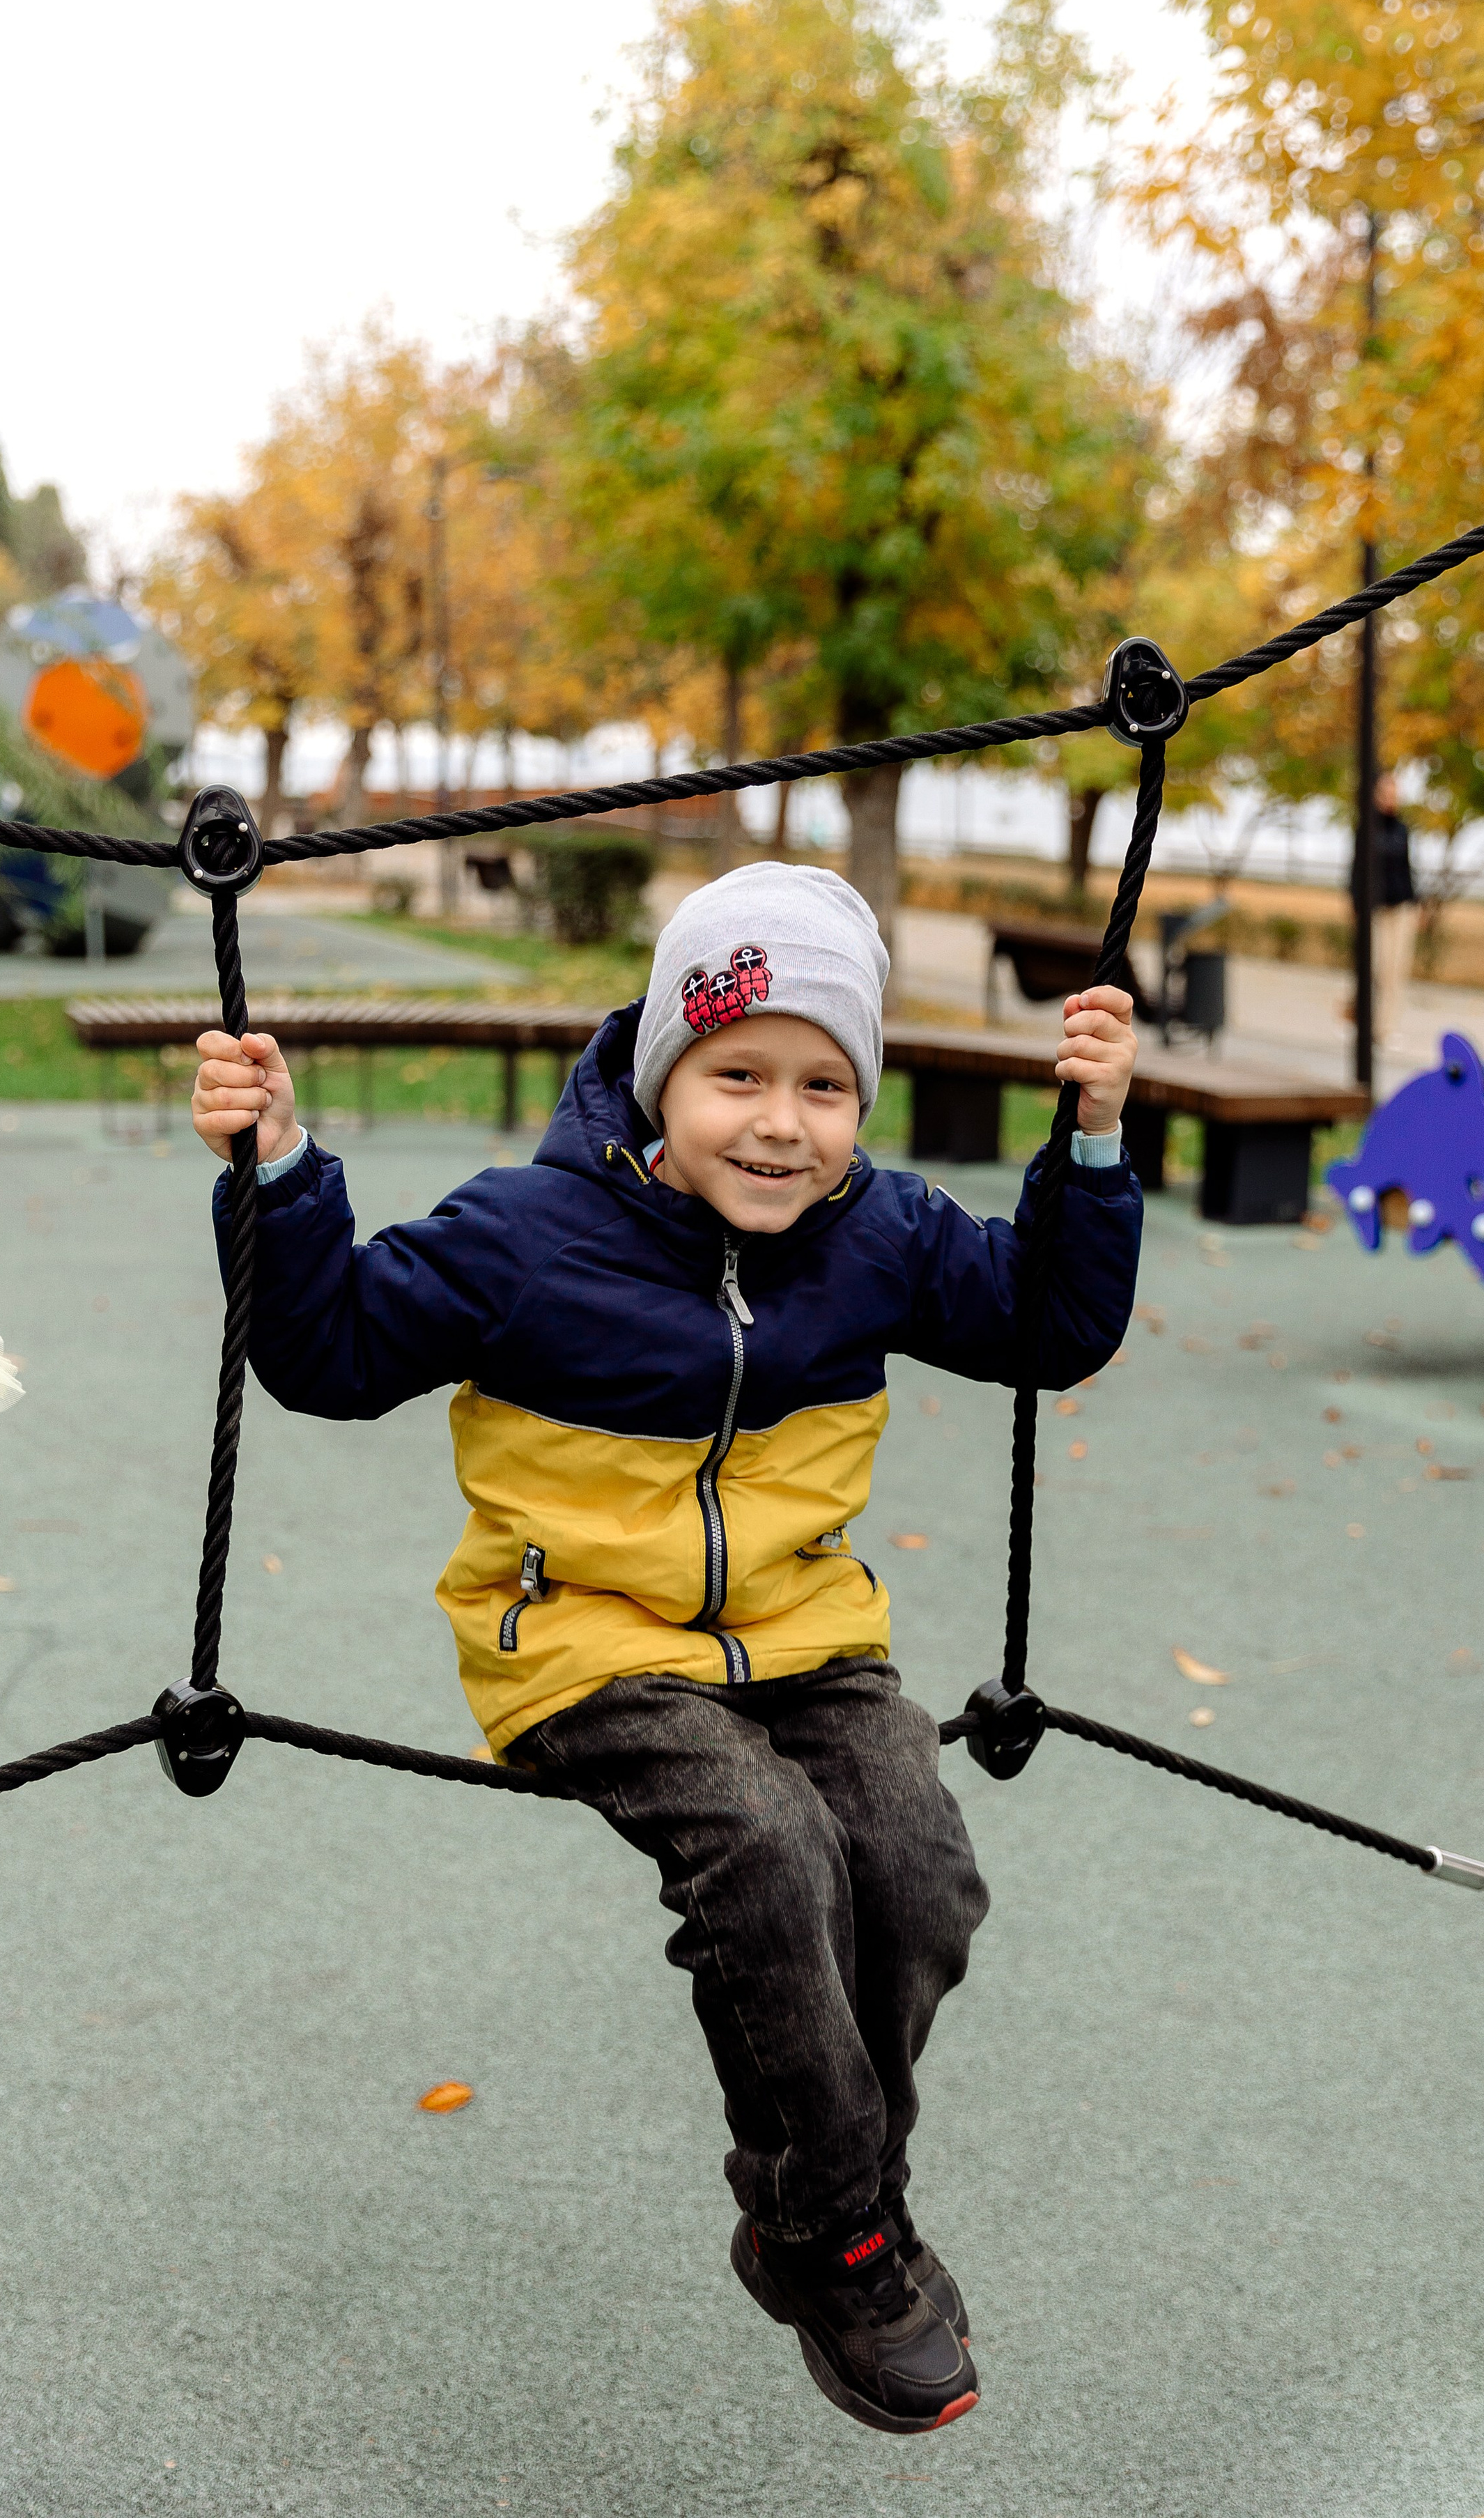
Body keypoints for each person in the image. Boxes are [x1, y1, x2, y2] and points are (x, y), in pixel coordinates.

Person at [190, 863, 1142, 2438]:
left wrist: (1092, 1136)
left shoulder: (876, 1231)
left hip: (798, 1631)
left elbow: (1049, 1324)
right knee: (768, 1849)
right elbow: (329, 1351)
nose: (781, 1122)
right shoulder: (525, 1235)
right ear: (660, 1076)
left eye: (824, 1084)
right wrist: (280, 1170)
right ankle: (846, 2235)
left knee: (913, 1862)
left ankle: (809, 2204)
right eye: (737, 1075)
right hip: (579, 1638)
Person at [1350, 772, 1418, 1043]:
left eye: (1394, 793)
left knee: (1395, 971)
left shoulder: (1402, 829)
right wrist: (1356, 903)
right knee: (1376, 966)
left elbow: (1408, 869)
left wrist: (1417, 902)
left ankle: (1385, 1029)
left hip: (1402, 908)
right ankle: (1357, 1014)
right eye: (1385, 792)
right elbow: (1356, 870)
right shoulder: (1366, 828)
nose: (1390, 798)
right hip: (1375, 908)